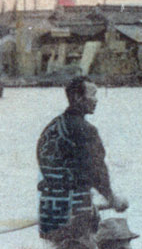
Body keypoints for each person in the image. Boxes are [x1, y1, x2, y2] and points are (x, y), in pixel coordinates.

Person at [36, 76, 127, 239]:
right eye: (93, 94)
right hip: (75, 212)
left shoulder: (52, 127)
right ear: (78, 97)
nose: (96, 100)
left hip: (49, 210)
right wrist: (112, 199)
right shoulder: (85, 130)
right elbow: (96, 170)